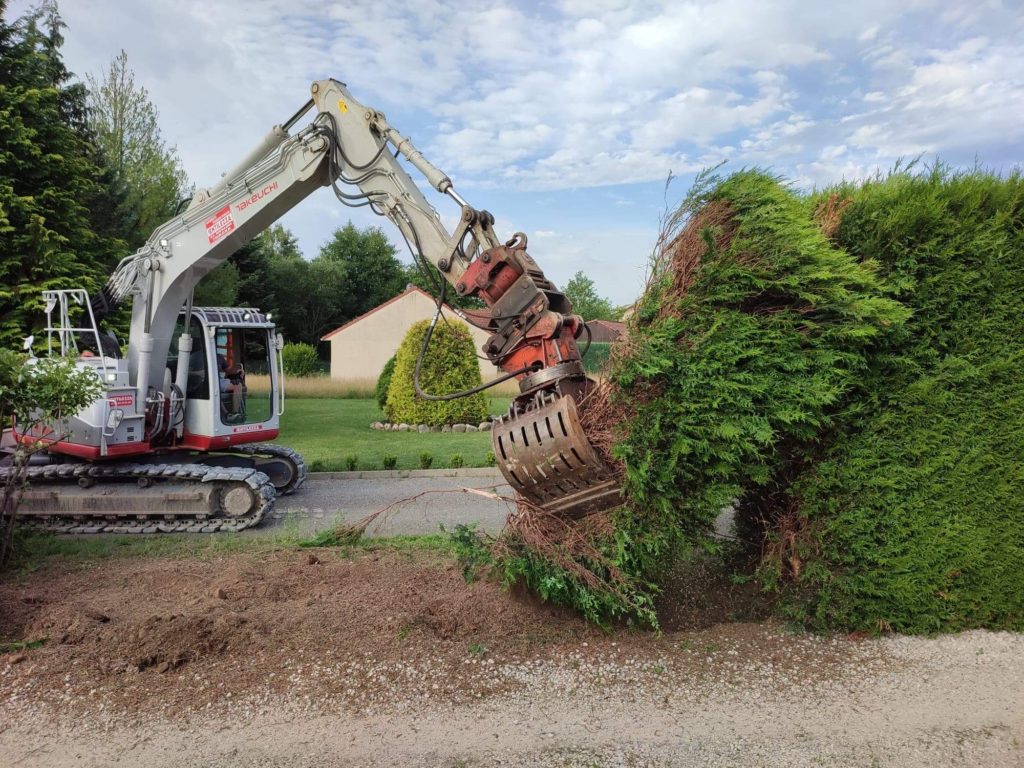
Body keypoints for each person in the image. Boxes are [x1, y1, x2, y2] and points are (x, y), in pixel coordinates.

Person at [217, 354, 244, 421]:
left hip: (219, 380)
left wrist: (238, 371)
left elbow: (229, 370)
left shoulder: (219, 357)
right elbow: (191, 371)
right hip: (206, 380)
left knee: (238, 385)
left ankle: (235, 413)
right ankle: (227, 414)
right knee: (215, 388)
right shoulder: (199, 355)